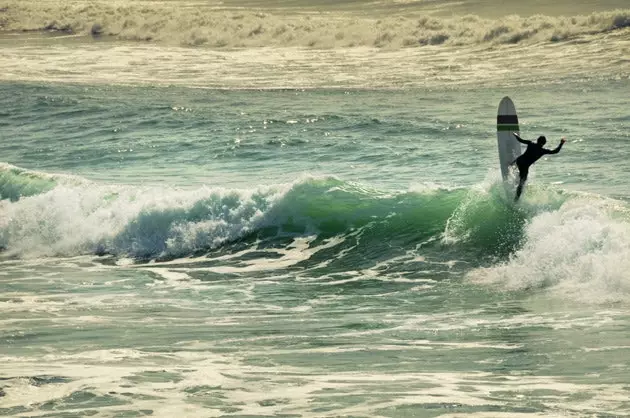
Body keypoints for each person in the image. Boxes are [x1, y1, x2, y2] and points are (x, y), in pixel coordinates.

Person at [510, 133, 566, 201]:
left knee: (519, 162)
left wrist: (515, 134)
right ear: (544, 143)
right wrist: (561, 143)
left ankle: (511, 165)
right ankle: (516, 199)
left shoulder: (530, 143)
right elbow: (555, 151)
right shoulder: (543, 151)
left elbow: (520, 140)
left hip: (519, 161)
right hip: (525, 166)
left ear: (537, 140)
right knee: (522, 183)